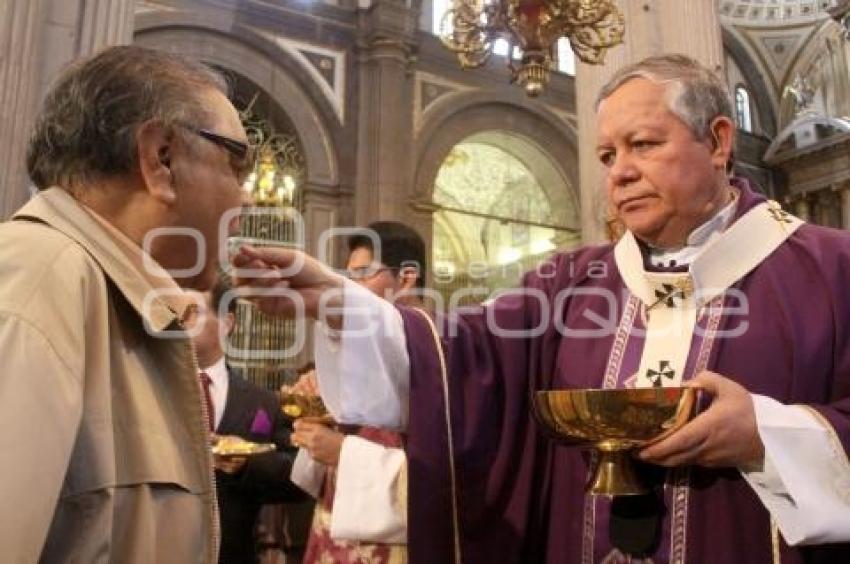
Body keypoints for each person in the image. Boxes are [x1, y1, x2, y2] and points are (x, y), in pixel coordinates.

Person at [232, 54, 850, 562]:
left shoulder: (832, 271)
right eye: (609, 156)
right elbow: (463, 356)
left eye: (643, 144)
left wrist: (771, 435)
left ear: (718, 141)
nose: (621, 173)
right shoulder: (570, 282)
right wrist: (338, 302)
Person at [0, 46, 247, 562]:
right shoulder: (40, 275)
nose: (247, 199)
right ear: (161, 158)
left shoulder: (121, 298)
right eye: (236, 163)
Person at [289, 221, 427, 563]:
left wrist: (343, 453)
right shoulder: (354, 349)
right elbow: (318, 470)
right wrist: (317, 411)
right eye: (346, 276)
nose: (349, 287)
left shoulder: (437, 353)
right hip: (331, 531)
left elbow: (444, 469)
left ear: (406, 278)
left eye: (363, 274)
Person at [185, 278, 306, 564]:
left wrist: (248, 463)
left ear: (227, 323)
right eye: (174, 310)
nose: (180, 320)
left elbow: (300, 478)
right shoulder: (150, 393)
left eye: (193, 311)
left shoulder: (261, 403)